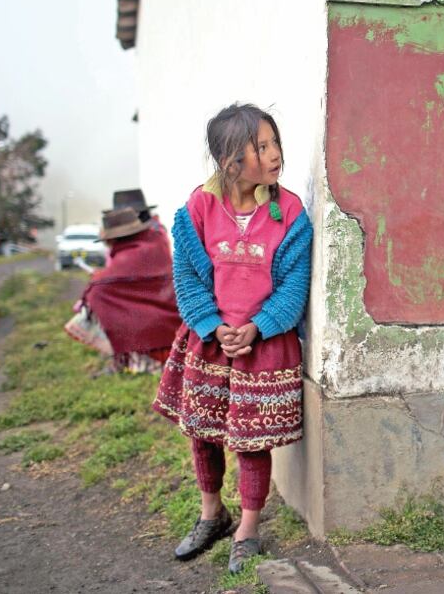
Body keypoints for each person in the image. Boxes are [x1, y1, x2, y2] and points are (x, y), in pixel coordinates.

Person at [151, 103, 312, 573]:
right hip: (208, 342)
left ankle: (248, 527)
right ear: (228, 161)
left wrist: (258, 326)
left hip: (264, 346)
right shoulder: (199, 207)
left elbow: (294, 284)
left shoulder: (291, 213)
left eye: (274, 142)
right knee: (203, 433)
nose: (274, 154)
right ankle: (211, 514)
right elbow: (187, 274)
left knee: (250, 440)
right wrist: (211, 324)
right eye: (260, 147)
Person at [64, 207, 181, 374]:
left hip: (144, 337)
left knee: (89, 307)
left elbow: (99, 289)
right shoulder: (156, 244)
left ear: (112, 239)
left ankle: (127, 359)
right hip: (175, 334)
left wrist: (97, 281)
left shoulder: (112, 273)